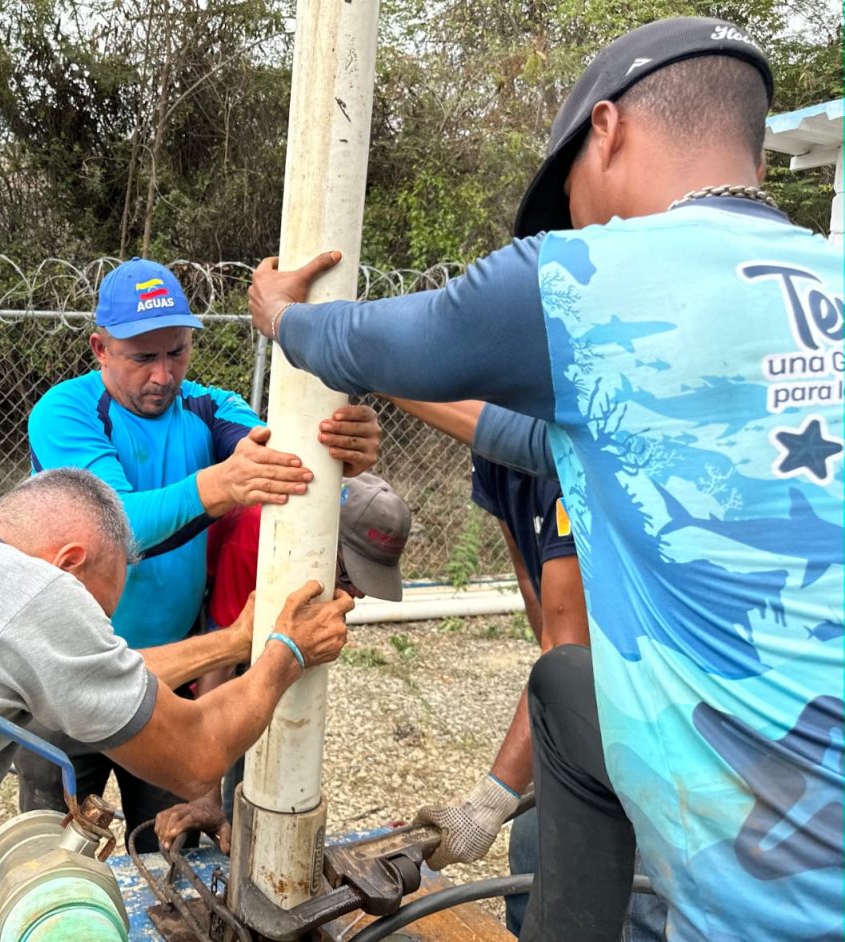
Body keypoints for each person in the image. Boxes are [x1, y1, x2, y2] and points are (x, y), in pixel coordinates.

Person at [246, 17, 843, 941]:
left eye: (569, 193)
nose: (574, 218)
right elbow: (543, 439)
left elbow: (366, 339)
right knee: (568, 687)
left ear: (607, 128)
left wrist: (282, 316)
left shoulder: (591, 276)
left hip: (776, 890)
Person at [0, 468, 352, 942]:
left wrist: (233, 643)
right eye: (98, 617)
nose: (95, 630)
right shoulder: (37, 590)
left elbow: (94, 678)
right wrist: (289, 652)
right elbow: (195, 756)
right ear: (69, 564)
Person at [19, 257, 382, 849]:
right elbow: (117, 532)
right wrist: (221, 485)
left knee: (165, 851)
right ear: (100, 349)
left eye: (177, 353)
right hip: (66, 673)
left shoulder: (210, 408)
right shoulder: (66, 412)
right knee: (50, 857)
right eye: (143, 357)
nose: (163, 375)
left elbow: (283, 459)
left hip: (170, 677)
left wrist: (341, 453)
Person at [387, 399, 664, 942]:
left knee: (642, 898)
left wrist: (487, 803)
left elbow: (568, 644)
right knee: (533, 848)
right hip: (587, 682)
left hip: (659, 696)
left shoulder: (572, 456)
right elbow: (538, 603)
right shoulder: (493, 456)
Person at [155, 471, 412, 851]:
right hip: (193, 621)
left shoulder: (318, 553)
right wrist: (206, 796)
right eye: (350, 575)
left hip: (246, 626)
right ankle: (224, 824)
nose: (355, 593)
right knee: (210, 754)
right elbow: (221, 658)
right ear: (323, 539)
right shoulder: (261, 540)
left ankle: (245, 828)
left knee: (263, 728)